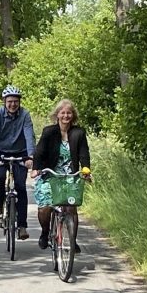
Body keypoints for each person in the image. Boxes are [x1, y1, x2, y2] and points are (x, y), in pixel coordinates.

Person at [30, 99, 91, 253]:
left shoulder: (79, 133)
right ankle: (45, 232)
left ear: (73, 115)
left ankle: (72, 240)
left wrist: (86, 170)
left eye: (69, 113)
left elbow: (84, 154)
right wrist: (36, 169)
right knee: (45, 208)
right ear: (57, 115)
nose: (66, 116)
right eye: (62, 112)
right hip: (50, 174)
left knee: (71, 209)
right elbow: (40, 151)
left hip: (70, 176)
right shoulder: (49, 131)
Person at [0, 85, 35, 240]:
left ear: (19, 102)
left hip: (20, 153)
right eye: (9, 101)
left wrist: (31, 156)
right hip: (0, 152)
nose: (13, 104)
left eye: (15, 101)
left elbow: (29, 135)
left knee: (21, 187)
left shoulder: (25, 115)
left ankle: (22, 226)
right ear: (4, 102)